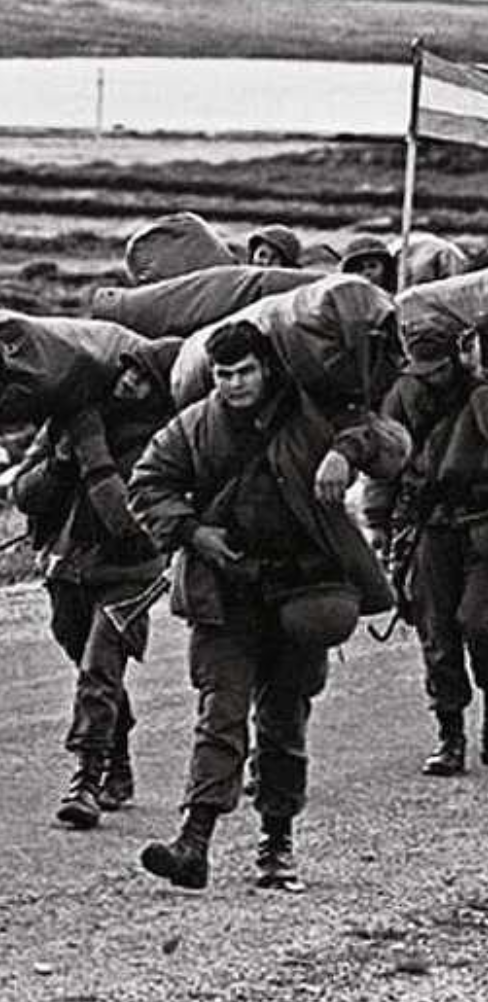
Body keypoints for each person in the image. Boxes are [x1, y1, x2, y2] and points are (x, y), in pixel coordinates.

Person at [128, 321, 409, 890]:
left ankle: (277, 847)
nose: (233, 384)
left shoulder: (315, 412)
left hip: (303, 593)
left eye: (244, 372)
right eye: (223, 374)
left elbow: (390, 441)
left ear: (269, 368)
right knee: (220, 715)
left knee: (284, 723)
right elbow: (147, 484)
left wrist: (342, 450)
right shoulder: (195, 426)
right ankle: (194, 843)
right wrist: (190, 531)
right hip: (226, 592)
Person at [12, 338, 181, 828]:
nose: (131, 382)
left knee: (99, 668)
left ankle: (85, 778)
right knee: (92, 669)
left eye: (144, 376)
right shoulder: (78, 416)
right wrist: (63, 462)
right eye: (127, 371)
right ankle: (118, 758)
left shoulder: (166, 438)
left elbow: (126, 523)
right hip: (67, 568)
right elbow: (25, 495)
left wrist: (92, 453)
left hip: (130, 573)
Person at [363, 331, 488, 777]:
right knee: (436, 630)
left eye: (438, 369)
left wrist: (479, 380)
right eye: (422, 370)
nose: (430, 379)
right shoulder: (403, 394)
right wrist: (378, 521)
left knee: (481, 621)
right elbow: (385, 458)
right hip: (430, 522)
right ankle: (449, 733)